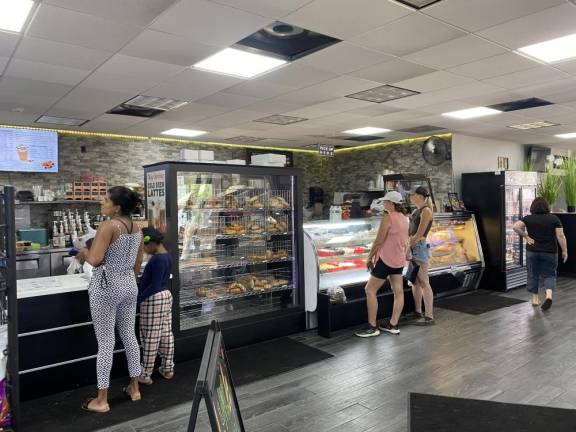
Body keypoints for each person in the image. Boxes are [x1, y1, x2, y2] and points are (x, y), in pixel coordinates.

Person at [78, 186, 144, 413]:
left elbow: (95, 260)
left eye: (105, 200)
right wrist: (126, 280)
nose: (101, 202)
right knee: (129, 336)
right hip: (129, 286)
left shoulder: (108, 226)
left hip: (105, 287)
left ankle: (102, 400)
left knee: (106, 343)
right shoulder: (137, 228)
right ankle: (134, 388)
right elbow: (137, 264)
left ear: (116, 207)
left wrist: (82, 253)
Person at [356, 191, 409, 337]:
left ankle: (372, 327)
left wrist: (369, 257)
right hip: (399, 259)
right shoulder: (405, 218)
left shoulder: (388, 217)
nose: (384, 204)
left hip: (385, 259)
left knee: (370, 290)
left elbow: (379, 241)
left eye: (386, 202)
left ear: (392, 203)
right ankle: (393, 324)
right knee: (398, 291)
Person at [513, 197, 568, 311]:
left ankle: (535, 299)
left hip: (532, 251)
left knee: (533, 274)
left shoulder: (528, 218)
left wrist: (526, 236)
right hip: (550, 252)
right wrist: (564, 250)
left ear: (533, 207)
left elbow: (515, 227)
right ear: (546, 206)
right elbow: (560, 236)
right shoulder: (554, 219)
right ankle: (548, 296)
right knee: (549, 274)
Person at [138, 227, 175, 385]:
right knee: (166, 334)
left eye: (144, 246)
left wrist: (139, 298)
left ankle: (145, 374)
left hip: (154, 298)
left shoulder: (157, 259)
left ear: (151, 243)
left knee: (151, 337)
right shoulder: (167, 256)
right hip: (166, 296)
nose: (144, 250)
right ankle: (167, 368)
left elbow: (154, 285)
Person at [409, 187, 435, 326]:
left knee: (424, 282)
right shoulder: (415, 211)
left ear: (419, 196)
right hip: (414, 247)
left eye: (412, 195)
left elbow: (419, 234)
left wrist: (408, 247)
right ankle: (418, 311)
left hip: (419, 246)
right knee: (415, 281)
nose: (410, 197)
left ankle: (429, 316)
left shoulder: (426, 211)